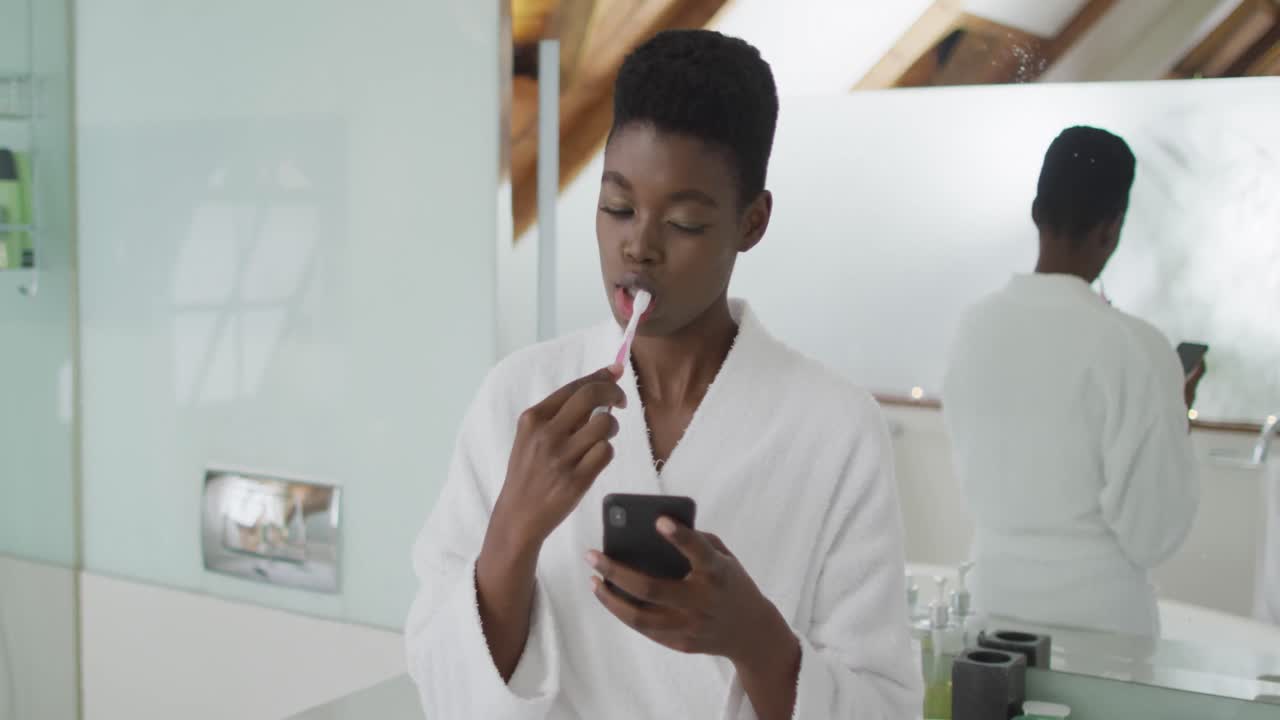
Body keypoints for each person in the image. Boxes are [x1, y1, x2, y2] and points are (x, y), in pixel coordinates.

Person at [405, 29, 920, 719]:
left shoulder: (835, 428)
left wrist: (756, 640)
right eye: (617, 208)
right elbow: (440, 687)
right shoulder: (518, 398)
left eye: (682, 223)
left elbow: (885, 707)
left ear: (752, 222)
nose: (638, 246)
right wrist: (512, 533)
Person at [942, 126, 1202, 639]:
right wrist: (1172, 419)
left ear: (1036, 211)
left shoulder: (972, 330)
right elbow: (1154, 533)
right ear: (1112, 228)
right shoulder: (1136, 348)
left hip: (992, 616)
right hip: (1103, 631)